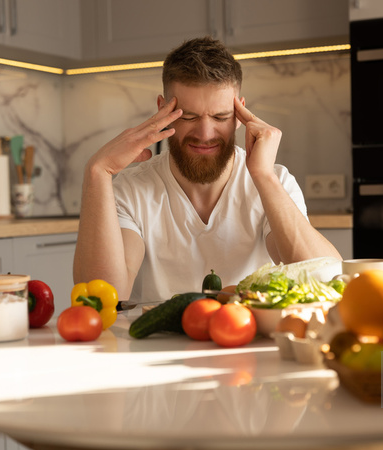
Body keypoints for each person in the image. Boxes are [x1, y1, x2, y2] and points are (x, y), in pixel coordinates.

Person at [73, 37, 341, 303]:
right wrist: (98, 171)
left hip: (248, 340)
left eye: (220, 117)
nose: (205, 133)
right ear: (161, 109)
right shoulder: (131, 190)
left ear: (240, 115)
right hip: (158, 345)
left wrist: (264, 176)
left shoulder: (275, 181)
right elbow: (102, 295)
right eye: (188, 117)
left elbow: (327, 279)